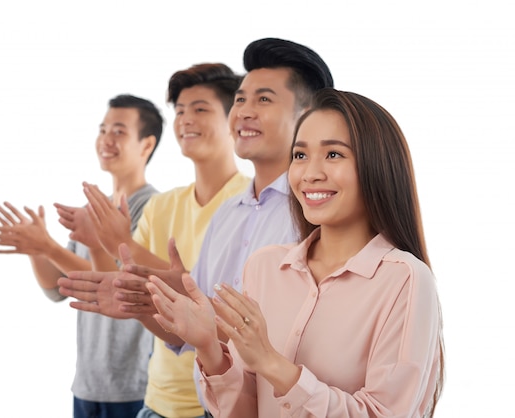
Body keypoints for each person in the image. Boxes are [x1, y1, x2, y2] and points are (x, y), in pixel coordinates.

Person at [146, 88, 445, 417]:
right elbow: (244, 412)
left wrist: (272, 363)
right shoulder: (265, 265)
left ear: (377, 166)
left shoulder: (405, 279)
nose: (310, 173)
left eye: (333, 155)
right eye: (300, 156)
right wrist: (209, 349)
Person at [111, 37, 334, 413]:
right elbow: (191, 335)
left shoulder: (318, 214)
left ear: (308, 115)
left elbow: (292, 342)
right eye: (241, 100)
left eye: (264, 99)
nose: (244, 111)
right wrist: (145, 303)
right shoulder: (228, 214)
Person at [58, 63, 251, 418]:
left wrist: (119, 240)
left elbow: (228, 314)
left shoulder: (252, 202)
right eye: (179, 110)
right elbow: (138, 300)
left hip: (215, 403)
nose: (185, 120)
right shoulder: (162, 207)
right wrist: (108, 250)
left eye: (200, 109)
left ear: (233, 118)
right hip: (156, 402)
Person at [0, 94, 163, 418]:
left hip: (134, 386)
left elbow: (118, 284)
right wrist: (37, 250)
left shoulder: (156, 209)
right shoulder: (91, 212)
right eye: (103, 128)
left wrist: (50, 247)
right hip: (87, 384)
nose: (106, 139)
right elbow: (57, 287)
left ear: (146, 145)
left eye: (119, 131)